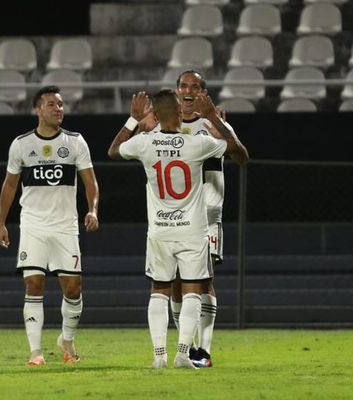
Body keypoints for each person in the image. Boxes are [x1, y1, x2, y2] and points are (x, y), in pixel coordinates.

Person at [108, 89, 248, 369]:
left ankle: (159, 357)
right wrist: (212, 117)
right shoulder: (197, 143)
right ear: (177, 112)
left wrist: (133, 120)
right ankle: (183, 354)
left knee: (159, 290)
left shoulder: (145, 143)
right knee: (193, 290)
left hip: (160, 230)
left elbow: (113, 151)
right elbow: (235, 148)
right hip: (192, 230)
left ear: (156, 114)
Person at [0, 85, 99, 366]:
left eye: (61, 104)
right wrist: (0, 221)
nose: (58, 109)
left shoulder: (76, 142)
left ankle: (66, 338)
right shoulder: (21, 144)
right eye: (51, 104)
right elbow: (10, 185)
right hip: (33, 226)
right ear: (37, 110)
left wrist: (93, 209)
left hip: (66, 226)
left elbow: (90, 181)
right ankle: (35, 352)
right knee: (33, 283)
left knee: (73, 288)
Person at [138, 70, 234, 368]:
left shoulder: (214, 125)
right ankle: (186, 346)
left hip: (207, 214)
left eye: (195, 86)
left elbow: (240, 155)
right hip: (171, 220)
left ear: (204, 93)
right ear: (177, 92)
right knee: (177, 283)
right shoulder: (157, 131)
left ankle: (203, 349)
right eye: (183, 86)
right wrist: (141, 125)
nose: (188, 90)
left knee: (204, 282)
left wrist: (216, 121)